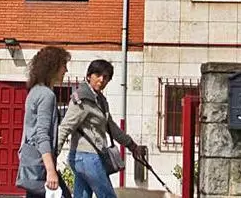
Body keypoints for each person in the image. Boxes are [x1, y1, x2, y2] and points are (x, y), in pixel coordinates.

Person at [56, 59, 147, 198]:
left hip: (87, 158)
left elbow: (112, 128)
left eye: (106, 77)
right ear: (89, 76)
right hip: (87, 157)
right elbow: (65, 127)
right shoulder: (82, 99)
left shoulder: (100, 100)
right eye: (97, 75)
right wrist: (51, 157)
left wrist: (131, 145)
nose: (101, 80)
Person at [16, 46, 72, 198]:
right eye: (63, 65)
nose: (66, 70)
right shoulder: (47, 95)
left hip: (32, 163)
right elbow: (42, 134)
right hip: (40, 165)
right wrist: (51, 171)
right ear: (52, 67)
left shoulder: (34, 91)